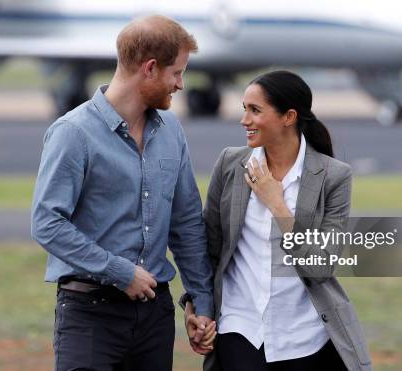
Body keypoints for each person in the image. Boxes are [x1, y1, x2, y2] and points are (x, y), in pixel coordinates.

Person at [31, 15, 215, 371]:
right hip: (90, 316)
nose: (180, 84)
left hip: (155, 317)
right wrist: (120, 272)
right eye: (176, 73)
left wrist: (201, 302)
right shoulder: (73, 133)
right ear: (149, 68)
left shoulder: (172, 131)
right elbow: (47, 223)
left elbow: (187, 223)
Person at [182, 70, 373, 371]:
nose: (244, 120)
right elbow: (210, 250)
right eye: (245, 108)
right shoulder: (230, 164)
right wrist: (195, 308)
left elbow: (321, 267)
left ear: (289, 117)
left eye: (255, 110)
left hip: (304, 338)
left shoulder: (334, 177)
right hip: (240, 330)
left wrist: (278, 205)